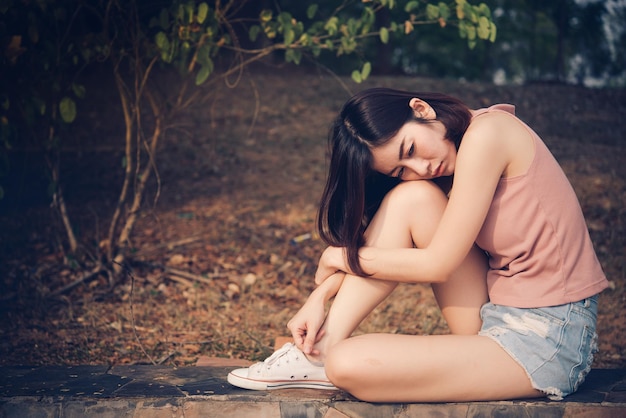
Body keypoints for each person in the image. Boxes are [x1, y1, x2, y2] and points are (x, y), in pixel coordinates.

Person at [227, 88, 609, 402]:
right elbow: (403, 240)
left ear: (421, 109)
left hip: (547, 339)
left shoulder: (488, 135)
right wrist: (320, 295)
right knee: (411, 198)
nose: (420, 168)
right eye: (400, 169)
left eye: (410, 149)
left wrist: (338, 256)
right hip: (496, 313)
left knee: (347, 364)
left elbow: (437, 265)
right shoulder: (452, 160)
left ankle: (327, 355)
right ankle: (318, 349)